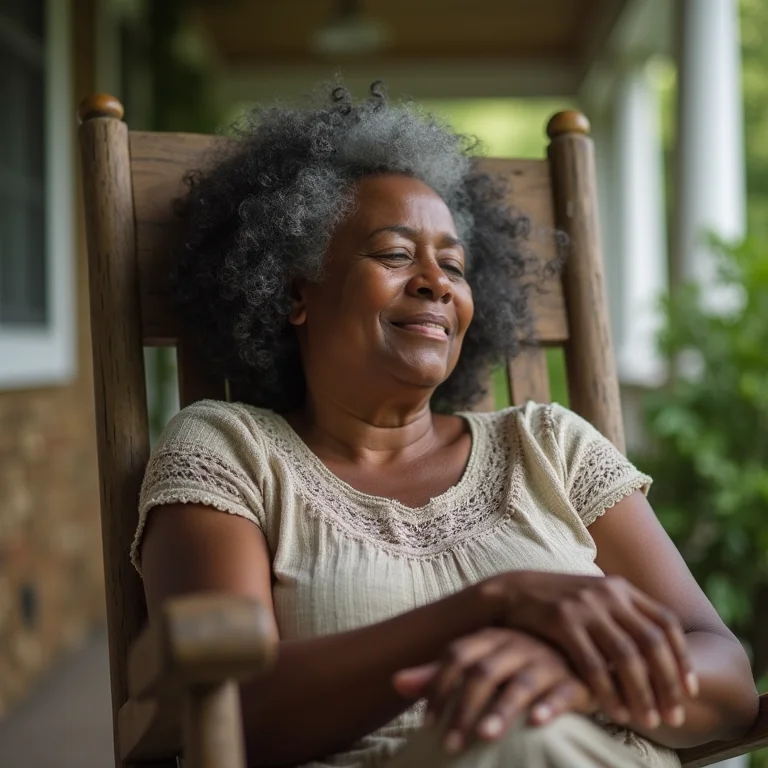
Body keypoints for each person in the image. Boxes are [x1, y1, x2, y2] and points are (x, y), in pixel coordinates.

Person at [133, 84, 757, 768]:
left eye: (454, 266)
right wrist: (489, 607)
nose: (437, 282)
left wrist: (573, 683)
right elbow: (229, 712)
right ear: (295, 292)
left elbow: (725, 677)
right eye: (395, 254)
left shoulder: (550, 445)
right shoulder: (230, 452)